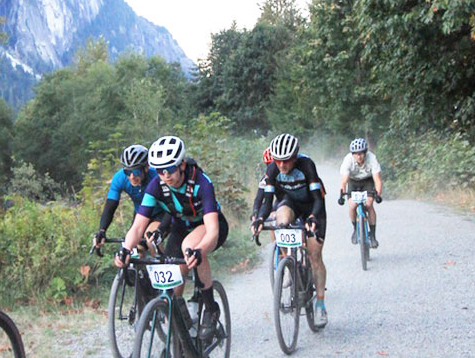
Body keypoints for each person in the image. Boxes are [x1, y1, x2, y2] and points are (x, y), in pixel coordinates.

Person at [114, 135, 229, 341]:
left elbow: (212, 231)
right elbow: (139, 225)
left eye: (170, 169)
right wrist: (125, 249)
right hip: (180, 227)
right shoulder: (156, 186)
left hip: (210, 225)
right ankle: (184, 334)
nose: (165, 174)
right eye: (159, 170)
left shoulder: (202, 183)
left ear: (182, 164)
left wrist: (200, 251)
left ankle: (211, 308)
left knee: (190, 247)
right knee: (171, 287)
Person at [250, 133, 329, 327]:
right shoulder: (272, 170)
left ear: (295, 157)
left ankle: (320, 304)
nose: (282, 166)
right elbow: (267, 202)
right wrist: (259, 218)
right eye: (278, 161)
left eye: (286, 161)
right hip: (291, 203)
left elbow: (318, 199)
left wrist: (312, 218)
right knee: (281, 219)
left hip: (312, 206)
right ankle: (288, 262)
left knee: (315, 255)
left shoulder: (306, 166)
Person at [92, 144, 161, 249]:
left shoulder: (156, 176)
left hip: (161, 212)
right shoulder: (119, 178)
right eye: (128, 172)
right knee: (137, 248)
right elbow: (110, 206)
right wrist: (102, 230)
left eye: (136, 171)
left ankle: (164, 264)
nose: (132, 176)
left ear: (146, 168)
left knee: (151, 240)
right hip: (141, 213)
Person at [338, 137, 383, 247]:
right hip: (353, 182)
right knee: (352, 206)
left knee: (369, 204)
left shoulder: (372, 158)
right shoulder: (348, 160)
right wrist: (342, 195)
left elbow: (377, 179)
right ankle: (355, 229)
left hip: (367, 181)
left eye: (361, 153)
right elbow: (344, 181)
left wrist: (378, 194)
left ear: (365, 152)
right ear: (352, 154)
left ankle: (372, 235)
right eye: (356, 154)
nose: (359, 156)